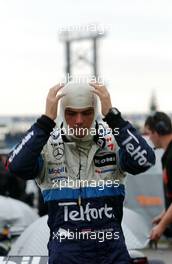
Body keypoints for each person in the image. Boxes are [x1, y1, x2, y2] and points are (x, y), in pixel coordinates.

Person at [7, 81, 155, 264]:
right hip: (66, 255)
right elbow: (15, 166)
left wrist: (114, 117)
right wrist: (45, 121)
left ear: (95, 111)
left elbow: (146, 160)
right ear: (62, 112)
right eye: (71, 113)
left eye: (86, 112)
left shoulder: (113, 142)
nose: (79, 120)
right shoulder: (46, 146)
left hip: (111, 254)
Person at [144, 111, 172, 241]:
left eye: (149, 133)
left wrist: (161, 226)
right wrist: (164, 214)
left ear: (157, 131)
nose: (149, 138)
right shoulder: (168, 155)